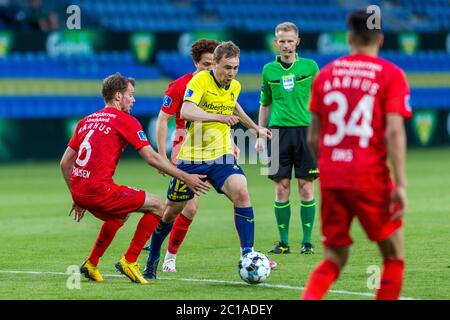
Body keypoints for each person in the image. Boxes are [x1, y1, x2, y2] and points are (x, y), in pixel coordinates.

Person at [301, 9, 412, 300]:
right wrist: (400, 184)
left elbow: (313, 136)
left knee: (333, 258)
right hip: (369, 176)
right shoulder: (391, 75)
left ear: (349, 38)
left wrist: (331, 167)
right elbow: (394, 132)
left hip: (332, 176)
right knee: (393, 255)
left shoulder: (325, 75)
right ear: (381, 38)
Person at [59, 73, 209, 285]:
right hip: (98, 191)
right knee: (158, 205)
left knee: (119, 215)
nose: (134, 99)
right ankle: (130, 260)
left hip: (80, 191)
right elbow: (150, 157)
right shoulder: (125, 120)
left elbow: (65, 163)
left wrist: (75, 196)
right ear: (118, 97)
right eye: (131, 95)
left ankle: (92, 263)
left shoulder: (86, 120)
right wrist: (186, 177)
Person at [143, 41, 274, 280]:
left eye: (235, 67)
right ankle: (153, 256)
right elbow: (186, 112)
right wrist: (219, 118)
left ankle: (248, 254)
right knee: (172, 212)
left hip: (221, 155)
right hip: (192, 158)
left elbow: (234, 108)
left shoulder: (234, 85)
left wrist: (255, 128)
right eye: (227, 67)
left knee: (241, 192)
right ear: (216, 64)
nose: (231, 73)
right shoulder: (199, 81)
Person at [142, 39, 221, 276]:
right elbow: (163, 119)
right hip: (184, 145)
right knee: (188, 207)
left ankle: (247, 252)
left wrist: (232, 144)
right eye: (206, 63)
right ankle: (166, 256)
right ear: (196, 62)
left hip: (213, 145)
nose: (210, 68)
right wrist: (161, 155)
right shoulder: (179, 86)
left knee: (178, 207)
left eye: (213, 63)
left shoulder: (220, 85)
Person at [255, 22, 319, 255]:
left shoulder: (311, 67)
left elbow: (321, 100)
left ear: (297, 42)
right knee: (281, 188)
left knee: (306, 186)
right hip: (277, 133)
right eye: (282, 41)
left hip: (306, 131)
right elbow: (265, 103)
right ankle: (283, 242)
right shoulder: (268, 70)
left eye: (290, 40)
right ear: (276, 43)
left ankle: (307, 241)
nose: (286, 45)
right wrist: (261, 132)